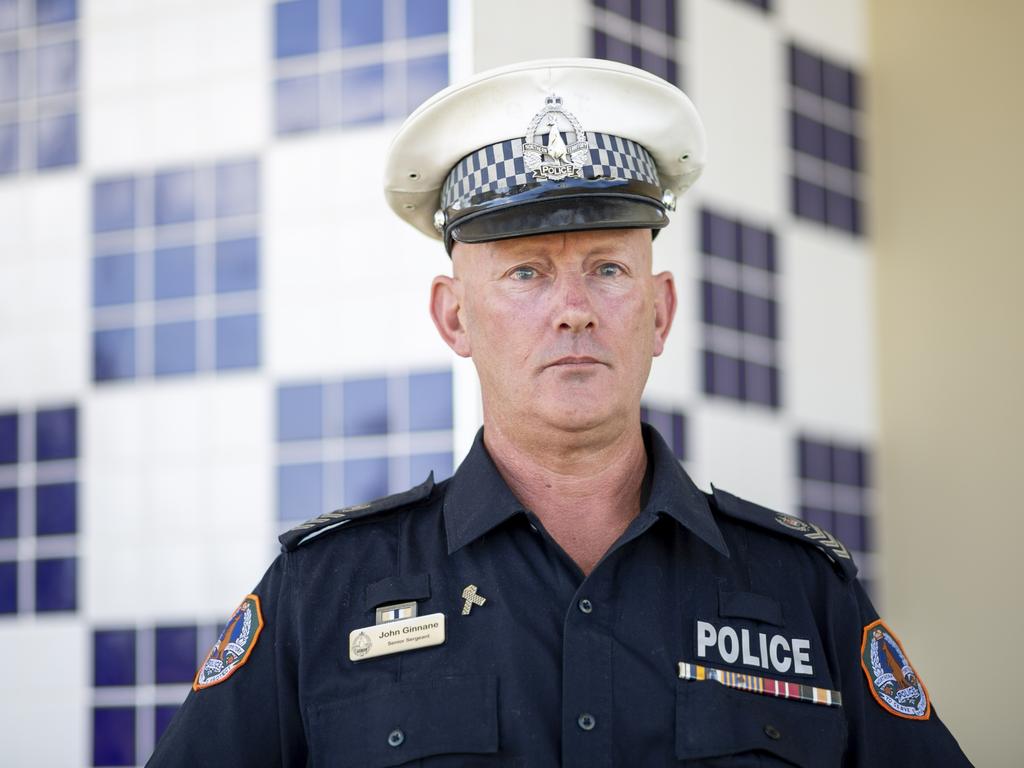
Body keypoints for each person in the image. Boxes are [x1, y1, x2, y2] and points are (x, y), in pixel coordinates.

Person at [149, 58, 971, 766]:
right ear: (455, 317)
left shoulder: (803, 592)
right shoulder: (323, 591)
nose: (574, 309)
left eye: (609, 269)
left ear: (660, 312)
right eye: (527, 273)